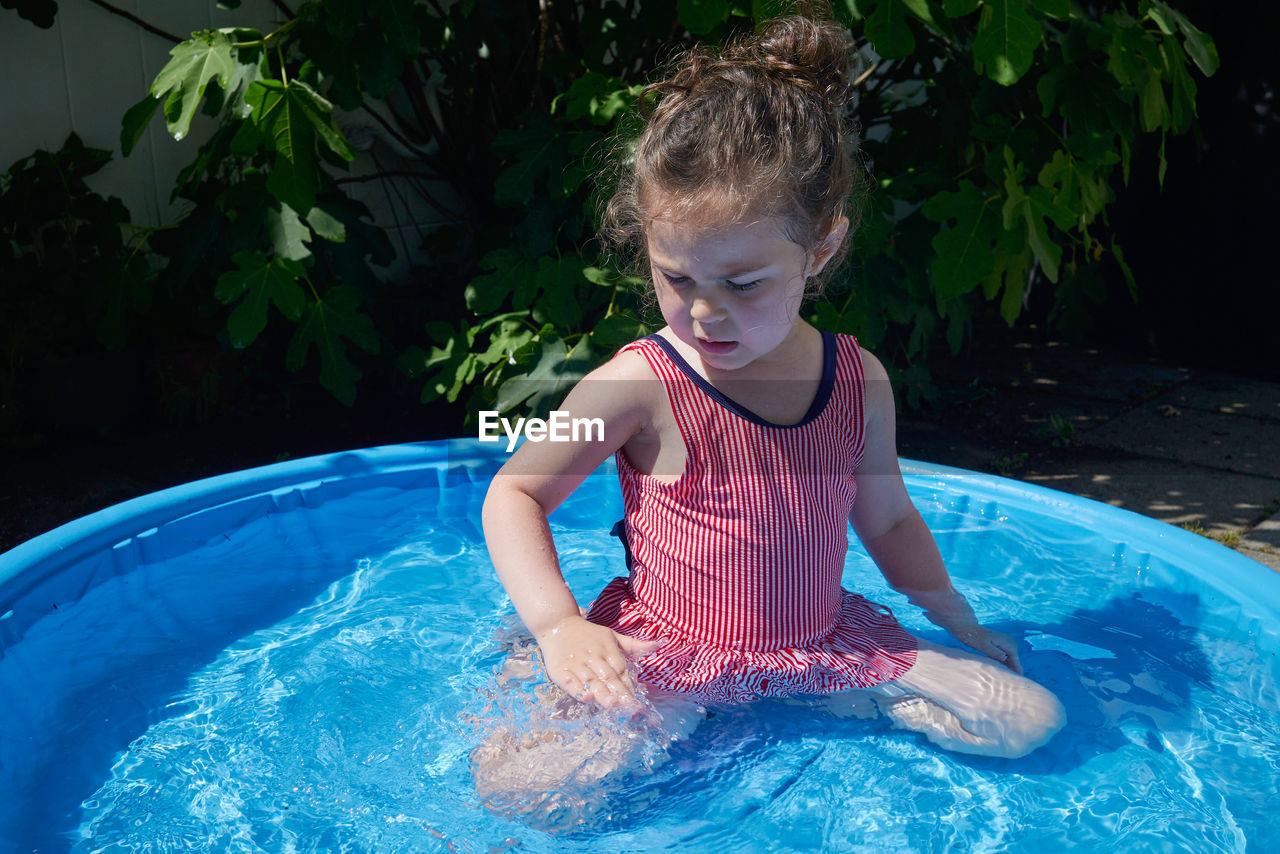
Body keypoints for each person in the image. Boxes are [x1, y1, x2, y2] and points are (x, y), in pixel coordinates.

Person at [476, 10, 1065, 798]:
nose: (704, 314)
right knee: (528, 794)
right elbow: (516, 489)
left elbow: (886, 518)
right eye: (676, 278)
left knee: (1027, 720)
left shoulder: (858, 381)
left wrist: (956, 618)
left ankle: (806, 699)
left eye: (743, 284)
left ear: (819, 248)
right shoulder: (639, 383)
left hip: (819, 644)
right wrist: (559, 626)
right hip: (675, 650)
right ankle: (562, 658)